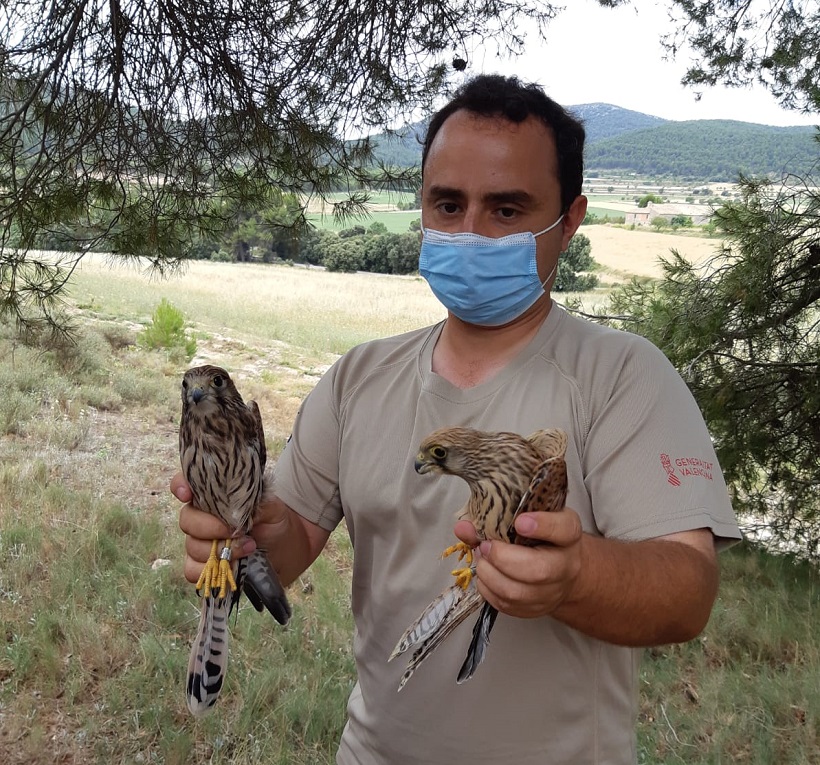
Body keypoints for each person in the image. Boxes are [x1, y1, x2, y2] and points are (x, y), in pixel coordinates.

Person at [174, 74, 741, 764]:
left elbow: (688, 591)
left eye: (506, 210)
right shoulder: (359, 377)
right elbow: (285, 542)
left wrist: (575, 575)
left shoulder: (623, 375)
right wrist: (236, 541)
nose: (469, 232)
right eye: (448, 204)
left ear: (570, 220)